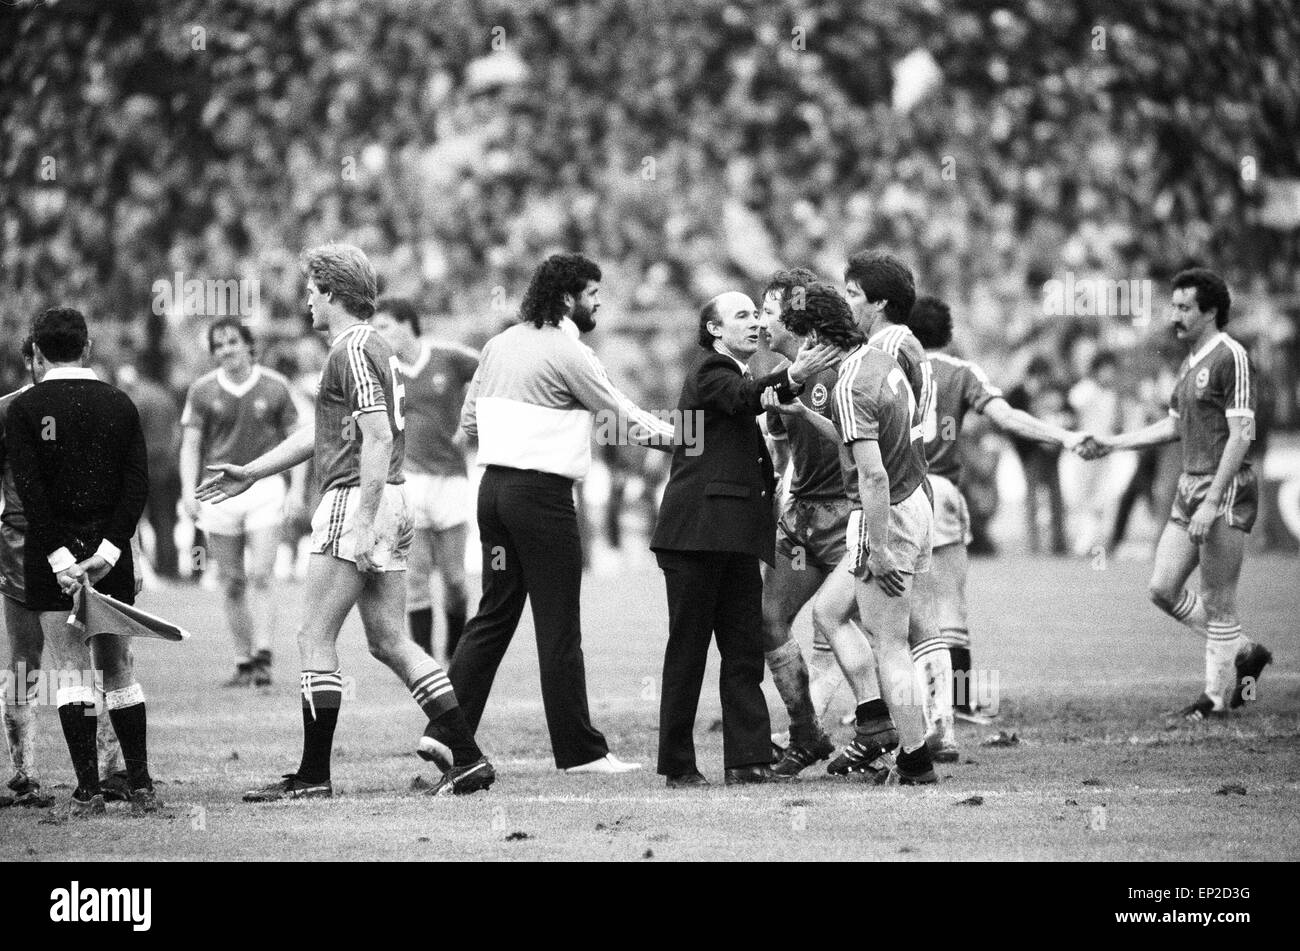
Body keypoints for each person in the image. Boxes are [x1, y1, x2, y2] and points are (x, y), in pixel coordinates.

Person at [198, 243, 492, 800]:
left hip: (359, 498)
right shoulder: (372, 348)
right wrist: (253, 472)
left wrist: (362, 516)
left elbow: (376, 436)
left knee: (314, 635)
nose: (307, 299)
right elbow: (330, 432)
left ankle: (313, 776)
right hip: (391, 498)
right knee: (388, 640)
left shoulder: (351, 348)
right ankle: (469, 757)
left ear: (332, 293)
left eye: (312, 289)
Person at [454, 252, 674, 775]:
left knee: (491, 617)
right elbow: (626, 420)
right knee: (558, 627)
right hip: (542, 500)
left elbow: (469, 422)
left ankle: (445, 731)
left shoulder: (498, 343)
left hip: (493, 495)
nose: (598, 304)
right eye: (592, 294)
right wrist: (693, 442)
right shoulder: (569, 352)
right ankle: (580, 753)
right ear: (567, 298)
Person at [651, 290, 837, 787]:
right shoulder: (711, 371)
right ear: (714, 331)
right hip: (695, 538)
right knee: (687, 653)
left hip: (731, 539)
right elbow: (747, 397)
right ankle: (679, 766)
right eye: (742, 316)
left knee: (742, 651)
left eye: (757, 314)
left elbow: (755, 397)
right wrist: (796, 374)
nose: (756, 323)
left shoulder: (737, 373)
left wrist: (787, 381)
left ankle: (748, 761)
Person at [1078, 268, 1272, 721]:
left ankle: (1216, 697)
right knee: (1162, 588)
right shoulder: (1191, 362)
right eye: (1174, 305)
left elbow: (1241, 435)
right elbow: (1174, 425)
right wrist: (1115, 442)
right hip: (1190, 487)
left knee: (1218, 599)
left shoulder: (1231, 356)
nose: (1175, 315)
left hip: (1223, 491)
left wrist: (1212, 500)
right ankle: (1244, 653)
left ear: (1211, 312)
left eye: (1185, 307)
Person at [7, 308, 158, 815]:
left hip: (50, 557)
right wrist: (108, 552)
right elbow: (136, 484)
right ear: (88, 347)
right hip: (107, 554)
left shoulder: (24, 410)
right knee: (117, 668)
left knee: (70, 671)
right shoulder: (119, 403)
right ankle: (140, 786)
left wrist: (59, 558)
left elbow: (31, 493)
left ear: (38, 352)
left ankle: (89, 791)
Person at [786, 284, 938, 784]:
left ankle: (915, 759)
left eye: (806, 339)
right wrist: (808, 415)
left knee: (890, 643)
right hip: (914, 500)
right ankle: (876, 723)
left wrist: (881, 548)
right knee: (830, 612)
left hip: (884, 512)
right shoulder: (879, 361)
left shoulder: (850, 383)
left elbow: (871, 475)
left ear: (819, 336)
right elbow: (859, 438)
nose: (803, 352)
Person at [908, 297, 1088, 721]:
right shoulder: (963, 373)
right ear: (949, 335)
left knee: (890, 608)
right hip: (941, 490)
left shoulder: (892, 368)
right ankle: (962, 701)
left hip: (896, 492)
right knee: (951, 605)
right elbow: (1006, 418)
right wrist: (1063, 436)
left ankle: (885, 707)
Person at [180, 318, 302, 687]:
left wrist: (296, 488)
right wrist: (189, 490)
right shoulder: (201, 391)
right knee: (232, 581)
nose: (225, 350)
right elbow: (191, 445)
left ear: (250, 345)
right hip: (218, 492)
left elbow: (298, 441)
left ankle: (264, 652)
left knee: (262, 574)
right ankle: (244, 660)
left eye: (232, 342)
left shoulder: (276, 386)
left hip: (264, 490)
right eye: (218, 345)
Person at [372, 298, 478, 663]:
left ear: (406, 323)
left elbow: (490, 372)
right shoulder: (384, 371)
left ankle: (456, 654)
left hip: (451, 480)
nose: (377, 333)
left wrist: (470, 417)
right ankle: (425, 663)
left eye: (383, 325)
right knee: (415, 579)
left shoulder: (448, 358)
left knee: (454, 581)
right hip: (409, 481)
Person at [116, 363, 182, 578]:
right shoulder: (164, 395)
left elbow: (127, 434)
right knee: (165, 520)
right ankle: (169, 568)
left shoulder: (136, 399)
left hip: (144, 467)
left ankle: (143, 568)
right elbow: (177, 430)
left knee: (135, 520)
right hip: (168, 466)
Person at [1006, 356, 1072, 554]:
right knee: (1033, 498)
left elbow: (1070, 414)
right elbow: (1010, 422)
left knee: (1056, 498)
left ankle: (1059, 544)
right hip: (1030, 453)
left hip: (1051, 453)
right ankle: (1033, 545)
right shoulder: (1018, 394)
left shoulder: (1054, 392)